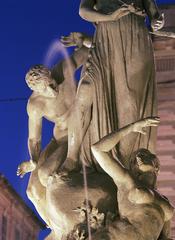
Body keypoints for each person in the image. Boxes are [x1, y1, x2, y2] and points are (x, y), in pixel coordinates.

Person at [63, 0, 165, 171]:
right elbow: (84, 11)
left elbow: (155, 16)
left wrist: (157, 22)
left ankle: (124, 166)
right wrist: (108, 16)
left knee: (131, 105)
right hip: (104, 44)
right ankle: (71, 159)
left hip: (136, 42)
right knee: (86, 90)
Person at [17, 45, 89, 226]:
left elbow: (88, 50)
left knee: (45, 174)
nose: (52, 90)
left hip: (79, 129)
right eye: (46, 90)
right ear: (37, 92)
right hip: (60, 139)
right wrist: (33, 160)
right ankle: (57, 229)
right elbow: (34, 139)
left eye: (51, 84)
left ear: (50, 74)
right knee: (32, 191)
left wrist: (83, 40)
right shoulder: (35, 105)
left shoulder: (63, 69)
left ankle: (68, 222)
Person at [90, 117, 174, 240]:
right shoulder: (127, 180)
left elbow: (165, 237)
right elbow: (98, 150)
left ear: (157, 166)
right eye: (133, 160)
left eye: (144, 155)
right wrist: (132, 127)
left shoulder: (164, 200)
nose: (138, 157)